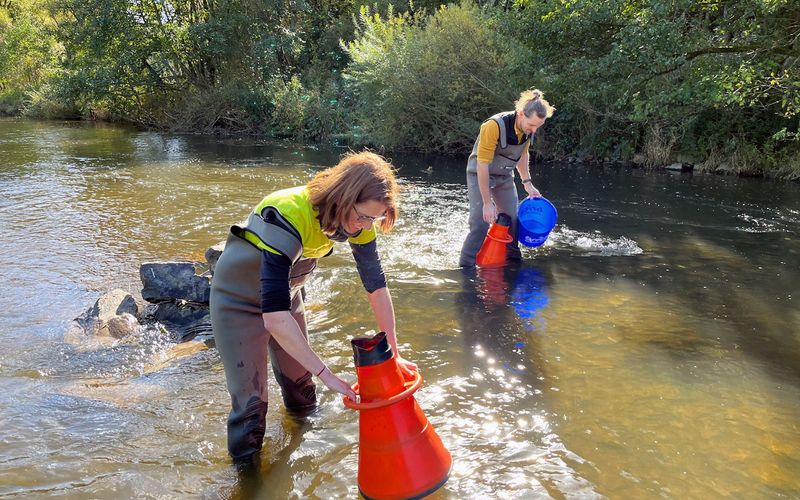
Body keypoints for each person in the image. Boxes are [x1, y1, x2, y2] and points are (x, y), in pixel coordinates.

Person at [210, 151, 417, 465]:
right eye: (362, 216)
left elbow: (375, 285)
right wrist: (330, 376)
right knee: (251, 409)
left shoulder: (361, 223)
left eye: (372, 220)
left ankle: (300, 455)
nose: (364, 226)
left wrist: (394, 354)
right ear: (344, 197)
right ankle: (247, 481)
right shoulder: (289, 213)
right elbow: (275, 319)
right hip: (238, 303)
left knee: (301, 388)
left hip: (285, 296)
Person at [459, 89, 556, 267]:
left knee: (512, 219)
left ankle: (511, 262)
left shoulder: (528, 130)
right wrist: (488, 203)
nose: (533, 130)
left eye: (537, 127)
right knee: (481, 222)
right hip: (479, 174)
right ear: (520, 114)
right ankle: (466, 266)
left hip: (504, 175)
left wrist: (527, 183)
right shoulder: (493, 126)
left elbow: (522, 155)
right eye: (531, 125)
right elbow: (482, 165)